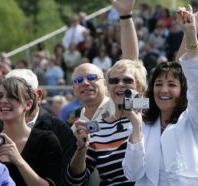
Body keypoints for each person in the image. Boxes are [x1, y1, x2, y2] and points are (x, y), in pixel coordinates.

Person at [122, 3, 198, 185]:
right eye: (158, 84)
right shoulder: (143, 122)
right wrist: (136, 128)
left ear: (183, 91)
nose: (164, 90)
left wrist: (191, 35)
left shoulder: (195, 119)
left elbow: (196, 83)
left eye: (172, 84)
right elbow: (132, 174)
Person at [66, 0, 142, 185]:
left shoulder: (127, 103)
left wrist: (125, 17)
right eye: (78, 81)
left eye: (92, 78)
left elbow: (131, 64)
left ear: (105, 84)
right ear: (73, 90)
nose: (85, 83)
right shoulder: (76, 126)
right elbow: (75, 179)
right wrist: (81, 148)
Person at [0, 69, 77, 186]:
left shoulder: (46, 140)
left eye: (12, 96)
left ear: (28, 104)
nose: (3, 101)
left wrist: (18, 160)